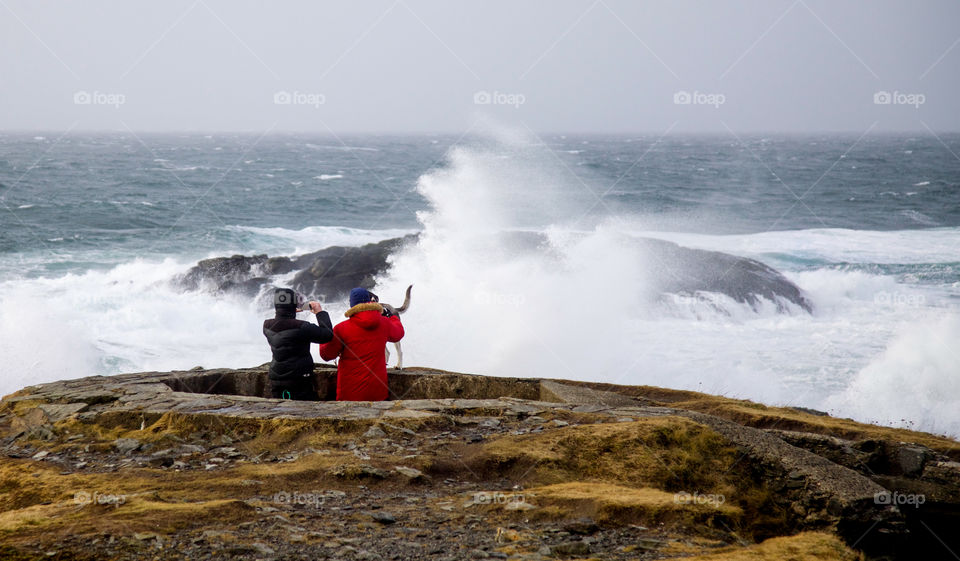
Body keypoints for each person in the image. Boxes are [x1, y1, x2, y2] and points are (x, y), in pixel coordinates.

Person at [319, 287, 404, 401]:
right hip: (378, 395)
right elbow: (399, 333)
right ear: (370, 301)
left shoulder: (341, 328)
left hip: (349, 396)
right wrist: (393, 317)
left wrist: (324, 330)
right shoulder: (384, 323)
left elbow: (326, 355)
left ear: (352, 305)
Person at [263, 288, 334, 400]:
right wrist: (319, 312)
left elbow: (283, 324)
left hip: (276, 378)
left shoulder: (267, 325)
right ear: (294, 305)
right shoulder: (302, 327)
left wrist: (289, 312)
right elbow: (327, 335)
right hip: (298, 379)